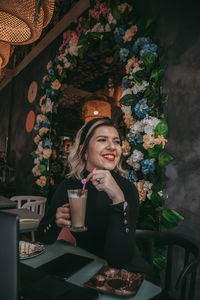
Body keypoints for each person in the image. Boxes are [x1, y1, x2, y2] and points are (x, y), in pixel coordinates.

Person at [36, 117, 150, 273]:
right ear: (84, 151)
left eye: (116, 142)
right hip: (88, 267)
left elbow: (119, 260)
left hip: (127, 274)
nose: (112, 146)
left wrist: (118, 199)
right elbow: (42, 237)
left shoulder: (126, 188)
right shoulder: (70, 185)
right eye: (102, 140)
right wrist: (56, 222)